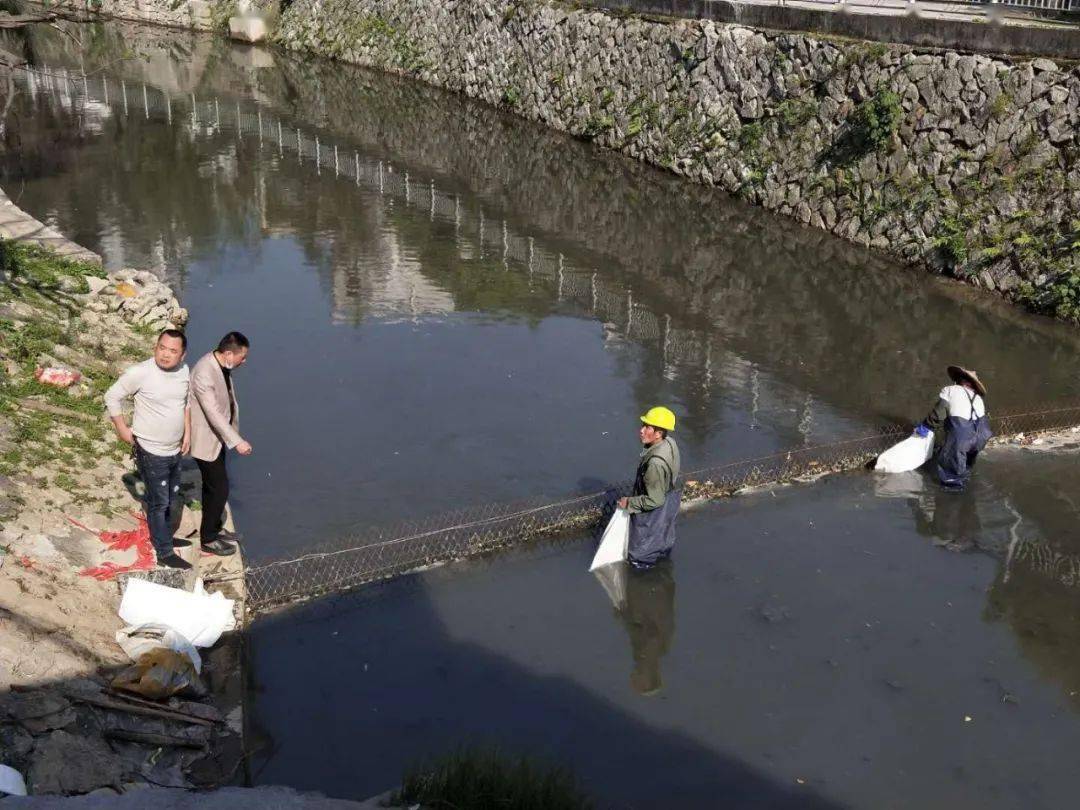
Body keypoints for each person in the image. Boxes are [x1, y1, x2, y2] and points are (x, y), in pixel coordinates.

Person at [105, 329, 192, 570]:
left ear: (182, 355)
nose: (165, 354)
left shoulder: (184, 372)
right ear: (155, 346)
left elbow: (185, 402)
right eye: (162, 347)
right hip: (151, 450)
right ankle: (164, 551)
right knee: (159, 502)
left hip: (174, 449)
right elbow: (112, 396)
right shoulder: (141, 373)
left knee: (173, 497)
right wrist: (122, 429)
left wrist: (188, 431)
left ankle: (164, 536)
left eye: (172, 351)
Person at [189, 332, 252, 556]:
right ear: (228, 353)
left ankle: (215, 528)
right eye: (242, 357)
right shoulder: (204, 373)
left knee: (212, 486)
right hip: (205, 438)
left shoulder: (221, 365)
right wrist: (237, 442)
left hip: (218, 438)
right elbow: (213, 413)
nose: (244, 362)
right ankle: (208, 538)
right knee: (220, 488)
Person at [617, 406, 681, 569]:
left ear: (659, 433)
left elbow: (655, 500)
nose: (641, 430)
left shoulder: (654, 464)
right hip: (670, 500)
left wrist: (629, 503)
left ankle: (642, 577)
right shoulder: (670, 443)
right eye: (643, 426)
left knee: (640, 556)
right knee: (662, 542)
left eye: (647, 428)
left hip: (654, 509)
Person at [918, 365, 991, 490]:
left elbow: (938, 413)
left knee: (951, 477)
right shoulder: (978, 398)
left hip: (962, 437)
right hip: (981, 438)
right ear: (973, 384)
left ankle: (952, 498)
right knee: (964, 467)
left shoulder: (950, 390)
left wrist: (926, 426)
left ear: (959, 380)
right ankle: (966, 500)